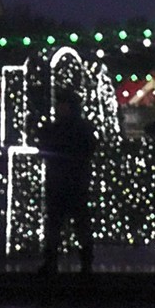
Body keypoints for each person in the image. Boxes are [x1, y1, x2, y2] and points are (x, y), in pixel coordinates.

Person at [36, 94, 97, 274]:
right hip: (75, 181)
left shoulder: (58, 128)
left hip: (63, 182)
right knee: (77, 224)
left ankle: (55, 261)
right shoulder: (83, 128)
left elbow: (46, 150)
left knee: (60, 224)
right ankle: (84, 262)